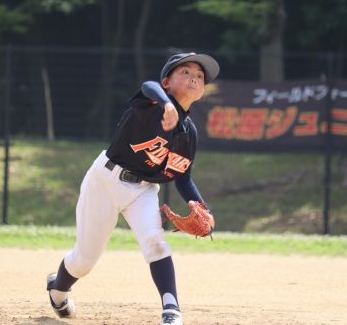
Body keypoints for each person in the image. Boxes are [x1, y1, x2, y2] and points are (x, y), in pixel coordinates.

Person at [46, 52, 219, 325]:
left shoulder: (189, 133)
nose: (194, 78)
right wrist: (166, 104)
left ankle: (172, 310)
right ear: (167, 82)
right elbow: (147, 86)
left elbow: (183, 177)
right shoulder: (151, 106)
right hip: (105, 180)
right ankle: (57, 290)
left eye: (199, 76)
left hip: (143, 190)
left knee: (155, 242)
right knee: (85, 260)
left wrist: (201, 207)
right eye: (185, 72)